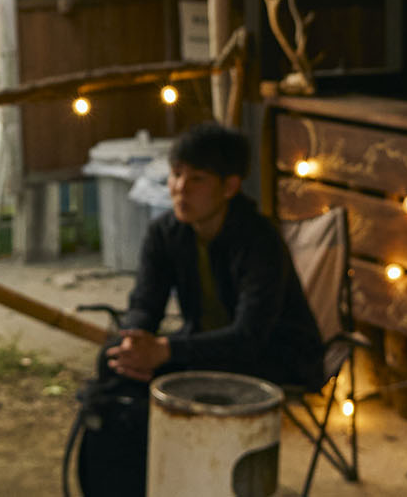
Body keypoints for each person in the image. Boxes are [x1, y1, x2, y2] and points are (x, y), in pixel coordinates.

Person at [75, 123, 324, 495]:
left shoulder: (259, 240)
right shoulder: (166, 233)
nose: (180, 189)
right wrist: (136, 338)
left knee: (165, 371)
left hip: (274, 353)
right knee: (113, 361)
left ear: (229, 187)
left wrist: (166, 351)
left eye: (197, 180)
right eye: (176, 175)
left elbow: (250, 336)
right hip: (207, 346)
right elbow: (145, 301)